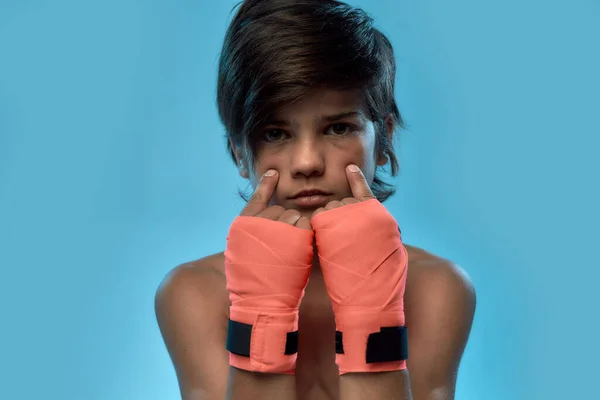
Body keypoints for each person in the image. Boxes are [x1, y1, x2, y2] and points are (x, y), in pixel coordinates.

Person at [155, 1, 476, 399]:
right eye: (275, 133)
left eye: (338, 128)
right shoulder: (195, 293)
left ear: (384, 140)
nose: (307, 162)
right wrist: (261, 315)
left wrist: (371, 311)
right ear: (239, 153)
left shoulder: (436, 289)